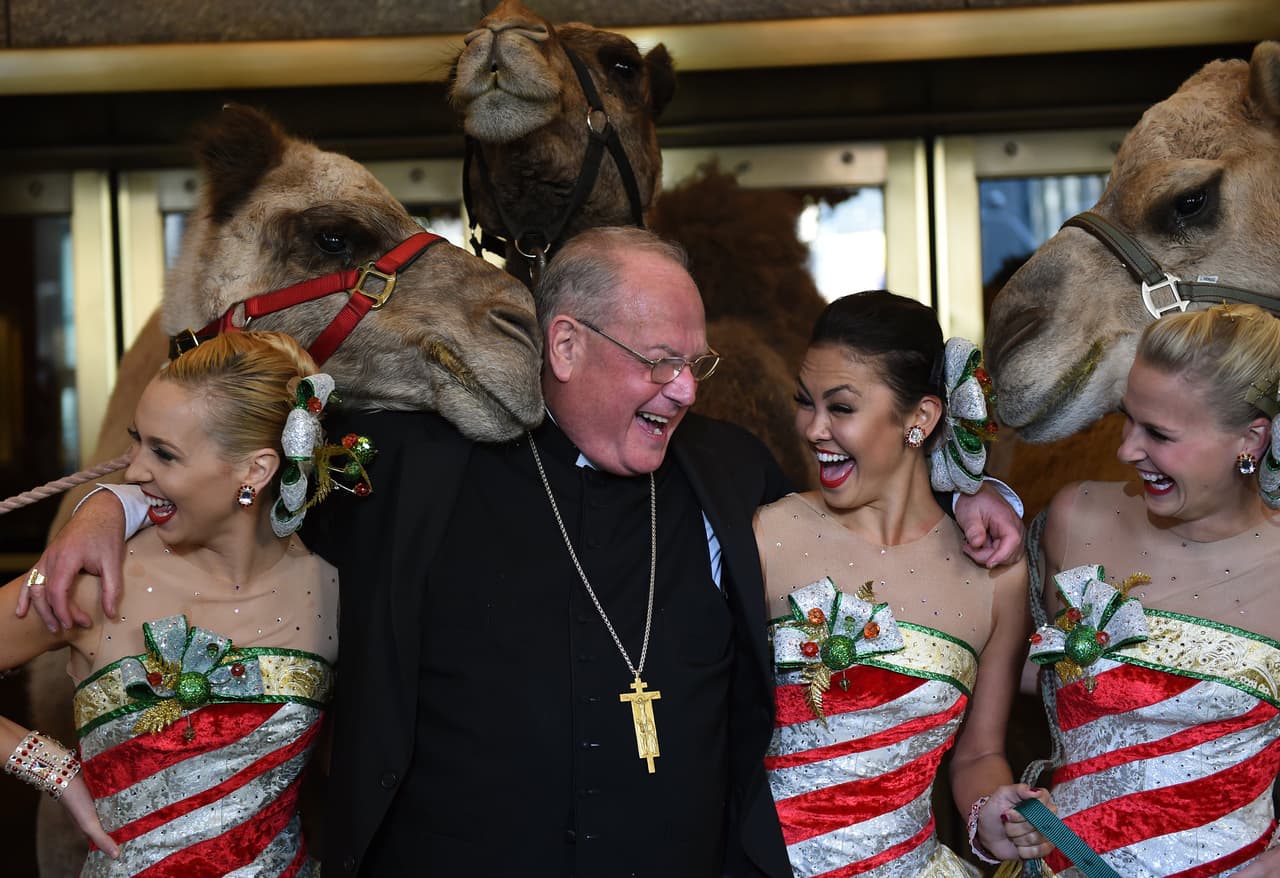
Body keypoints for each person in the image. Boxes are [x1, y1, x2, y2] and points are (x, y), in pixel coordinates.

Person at [25, 228, 1025, 877]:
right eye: (658, 361)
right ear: (563, 346)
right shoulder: (408, 464)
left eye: (695, 361)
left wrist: (963, 481)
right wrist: (109, 503)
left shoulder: (731, 470)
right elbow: (227, 476)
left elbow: (862, 525)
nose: (684, 389)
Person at [1, 331, 343, 875]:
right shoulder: (97, 581)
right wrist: (50, 767)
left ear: (255, 470)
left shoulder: (332, 591)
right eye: (137, 441)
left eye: (163, 452)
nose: (133, 470)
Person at [754, 291, 1051, 876]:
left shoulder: (995, 574)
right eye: (804, 402)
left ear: (920, 418)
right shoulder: (768, 536)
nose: (813, 429)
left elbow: (981, 755)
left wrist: (995, 812)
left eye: (840, 408)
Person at [1028, 303, 1280, 877]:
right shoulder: (1075, 519)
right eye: (1127, 418)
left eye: (1159, 434)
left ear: (1251, 438)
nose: (1125, 449)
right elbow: (1021, 678)